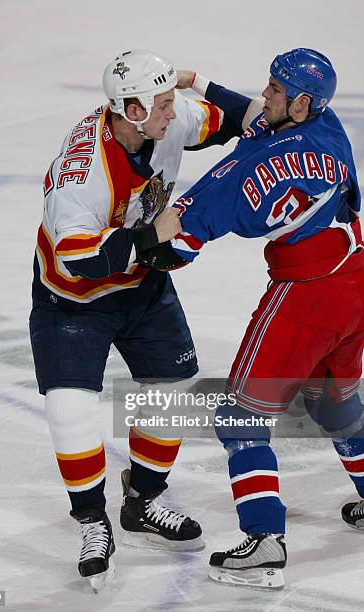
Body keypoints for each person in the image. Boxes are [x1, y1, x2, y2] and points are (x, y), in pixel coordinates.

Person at [139, 48, 364, 590]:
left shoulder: (246, 170)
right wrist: (197, 81)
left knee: (239, 417)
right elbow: (258, 120)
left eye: (276, 89)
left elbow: (178, 243)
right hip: (357, 281)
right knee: (335, 403)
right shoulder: (330, 128)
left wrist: (135, 247)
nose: (265, 95)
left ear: (302, 102)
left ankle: (264, 542)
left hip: (308, 297)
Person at [29, 48, 247, 591]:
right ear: (131, 110)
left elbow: (244, 121)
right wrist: (157, 237)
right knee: (71, 406)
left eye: (174, 102)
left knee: (172, 387)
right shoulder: (83, 168)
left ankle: (142, 502)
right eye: (165, 105)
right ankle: (91, 520)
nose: (176, 113)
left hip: (140, 286)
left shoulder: (161, 119)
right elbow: (79, 257)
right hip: (73, 298)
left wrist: (201, 80)